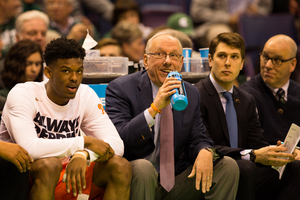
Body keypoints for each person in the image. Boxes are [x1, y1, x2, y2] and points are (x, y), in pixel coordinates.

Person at [105, 32, 239, 200]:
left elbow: (198, 137)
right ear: (146, 60)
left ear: (181, 62)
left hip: (175, 180)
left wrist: (205, 151)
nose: (168, 61)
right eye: (160, 54)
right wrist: (155, 107)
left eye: (174, 55)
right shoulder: (120, 88)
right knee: (144, 168)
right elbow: (119, 139)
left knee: (227, 166)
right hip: (136, 179)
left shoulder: (191, 93)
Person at [0, 37, 131, 200]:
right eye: (66, 71)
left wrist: (83, 154)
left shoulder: (85, 94)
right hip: (27, 176)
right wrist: (83, 142)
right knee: (50, 165)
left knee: (120, 166)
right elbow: (29, 149)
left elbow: (116, 144)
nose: (75, 78)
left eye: (79, 71)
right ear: (48, 72)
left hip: (71, 169)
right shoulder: (23, 93)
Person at [194, 32, 300, 200]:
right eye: (222, 56)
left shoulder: (245, 99)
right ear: (210, 60)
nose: (228, 63)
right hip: (214, 169)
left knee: (294, 168)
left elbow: (258, 143)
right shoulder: (197, 95)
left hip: (244, 169)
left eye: (234, 57)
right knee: (246, 168)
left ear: (242, 63)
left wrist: (277, 152)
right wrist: (253, 155)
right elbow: (205, 147)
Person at [240, 35, 300, 151]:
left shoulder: (297, 92)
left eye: (277, 60)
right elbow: (251, 146)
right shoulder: (247, 95)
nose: (267, 65)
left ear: (292, 64)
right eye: (265, 57)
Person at [189, 0, 273, 48]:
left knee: (273, 36)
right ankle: (226, 75)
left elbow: (266, 9)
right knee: (223, 35)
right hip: (216, 24)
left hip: (249, 23)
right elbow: (197, 11)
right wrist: (228, 18)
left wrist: (257, 11)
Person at [0, 39, 44, 110]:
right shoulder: (3, 96)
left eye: (37, 64)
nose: (34, 69)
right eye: (29, 64)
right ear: (16, 64)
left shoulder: (44, 96)